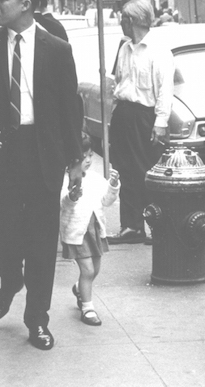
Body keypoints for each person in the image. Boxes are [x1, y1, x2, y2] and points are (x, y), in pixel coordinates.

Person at [0, 0, 83, 351]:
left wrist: (75, 159)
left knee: (42, 242)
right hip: (1, 151)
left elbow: (69, 107)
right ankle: (10, 278)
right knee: (0, 229)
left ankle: (37, 320)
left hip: (43, 151)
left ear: (25, 4)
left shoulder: (56, 49)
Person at [107, 0, 174, 245]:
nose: (120, 24)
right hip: (124, 113)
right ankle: (131, 227)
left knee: (146, 172)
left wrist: (161, 122)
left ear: (132, 20)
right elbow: (119, 83)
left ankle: (158, 225)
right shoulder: (124, 49)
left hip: (145, 117)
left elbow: (165, 90)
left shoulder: (158, 50)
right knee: (125, 171)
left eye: (123, 19)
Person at [60, 133, 119, 327]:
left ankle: (79, 288)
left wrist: (112, 186)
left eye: (90, 155)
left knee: (95, 269)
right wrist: (72, 197)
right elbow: (63, 206)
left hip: (95, 229)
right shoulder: (65, 179)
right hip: (77, 231)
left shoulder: (94, 178)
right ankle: (87, 308)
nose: (88, 160)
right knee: (87, 270)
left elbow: (106, 201)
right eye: (83, 156)